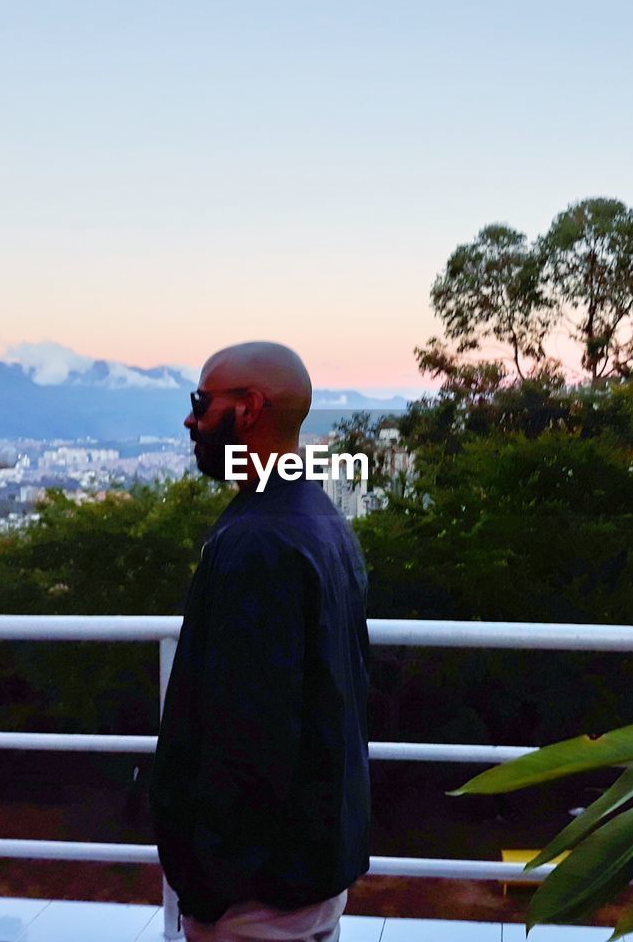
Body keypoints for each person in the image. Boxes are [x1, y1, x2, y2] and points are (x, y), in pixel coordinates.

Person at [149, 341, 372, 942]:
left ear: (248, 408)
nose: (192, 421)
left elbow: (250, 733)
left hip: (259, 893)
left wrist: (210, 884)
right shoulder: (316, 514)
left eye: (202, 402)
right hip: (309, 867)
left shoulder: (260, 541)